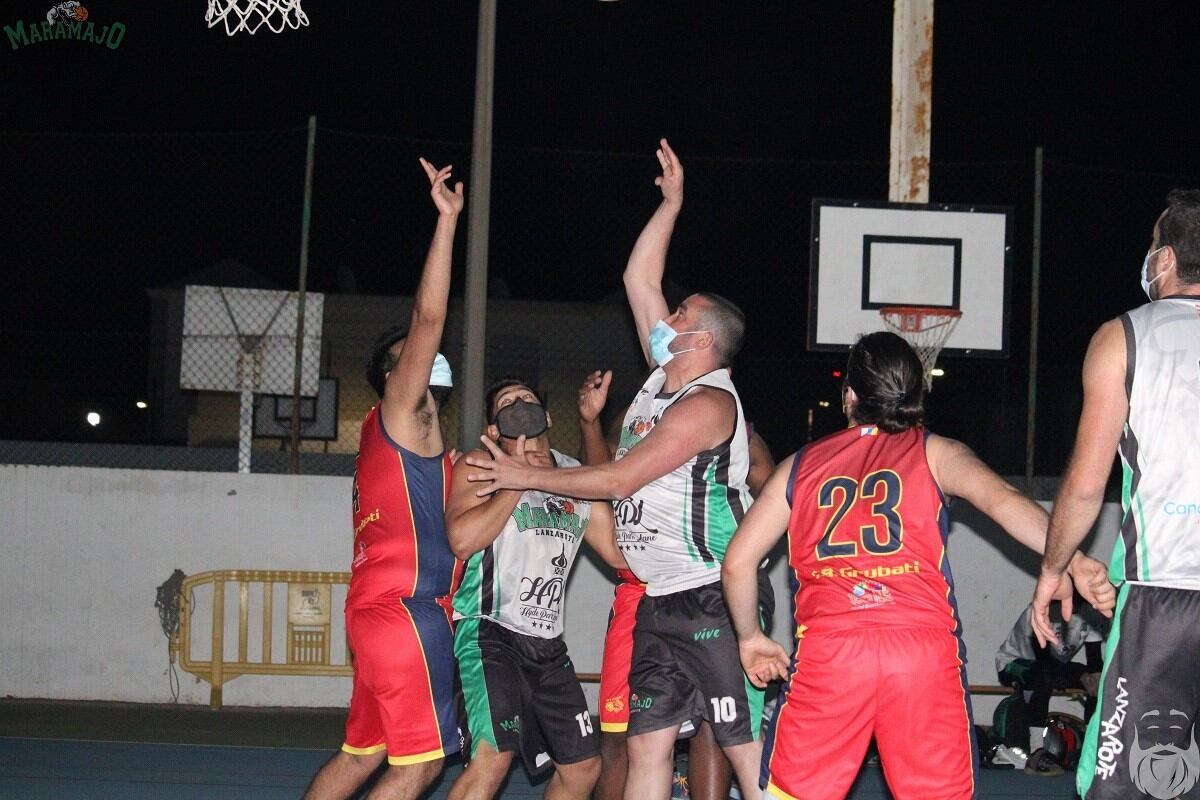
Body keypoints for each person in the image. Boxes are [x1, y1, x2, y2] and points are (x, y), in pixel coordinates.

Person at [464, 139, 768, 800]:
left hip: (714, 589)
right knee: (645, 745)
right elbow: (639, 280)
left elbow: (619, 481)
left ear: (701, 339)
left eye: (682, 316)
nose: (669, 316)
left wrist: (527, 478)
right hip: (660, 597)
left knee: (745, 750)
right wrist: (672, 203)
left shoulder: (708, 404)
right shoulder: (664, 376)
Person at [721, 331, 1115, 800]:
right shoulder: (936, 452)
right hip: (921, 653)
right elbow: (1006, 501)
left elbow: (738, 563)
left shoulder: (798, 467)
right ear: (916, 390)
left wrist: (750, 639)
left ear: (849, 394)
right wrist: (1075, 560)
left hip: (831, 650)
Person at [304, 159, 464, 800]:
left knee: (359, 757)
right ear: (396, 373)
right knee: (421, 765)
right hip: (404, 610)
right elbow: (428, 320)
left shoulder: (403, 444)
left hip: (374, 613)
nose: (429, 357)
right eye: (415, 359)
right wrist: (447, 222)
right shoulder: (402, 408)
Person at [1032, 189, 1200, 800]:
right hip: (1165, 594)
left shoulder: (1124, 336)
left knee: (1129, 783)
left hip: (1164, 598)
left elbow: (1083, 482)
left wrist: (1054, 568)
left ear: (1168, 258)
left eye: (1153, 244)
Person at [578, 370, 777, 800]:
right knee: (630, 737)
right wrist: (590, 424)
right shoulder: (639, 418)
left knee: (722, 729)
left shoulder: (722, 420)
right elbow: (607, 478)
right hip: (643, 594)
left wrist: (745, 545)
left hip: (708, 583)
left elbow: (772, 488)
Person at [445, 377, 625, 800]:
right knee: (493, 756)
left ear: (546, 416)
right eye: (507, 403)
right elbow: (463, 539)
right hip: (488, 632)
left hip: (546, 646)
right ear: (493, 430)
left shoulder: (574, 477)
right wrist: (517, 477)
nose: (519, 404)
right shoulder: (479, 464)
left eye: (527, 398)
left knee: (583, 768)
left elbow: (618, 552)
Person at [992, 599, 1106, 767]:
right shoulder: (1042, 610)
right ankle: (1036, 750)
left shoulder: (1091, 613)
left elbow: (1094, 661)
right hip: (1015, 662)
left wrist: (1094, 678)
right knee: (1044, 677)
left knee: (1100, 680)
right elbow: (1044, 662)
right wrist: (1080, 674)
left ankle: (1091, 747)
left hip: (1053, 666)